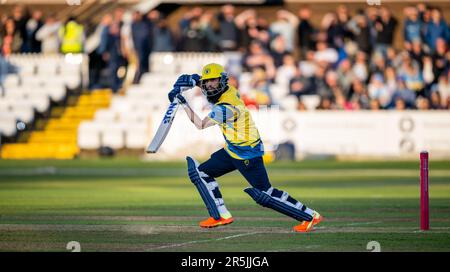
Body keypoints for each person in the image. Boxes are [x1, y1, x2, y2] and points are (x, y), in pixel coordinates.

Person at [167, 63, 322, 232]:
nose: (210, 86)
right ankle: (220, 215)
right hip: (233, 149)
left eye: (214, 81)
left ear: (222, 81)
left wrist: (183, 103)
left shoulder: (225, 107)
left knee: (265, 194)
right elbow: (209, 88)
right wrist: (194, 80)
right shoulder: (228, 89)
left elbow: (200, 124)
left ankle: (310, 216)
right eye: (207, 82)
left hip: (247, 154)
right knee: (200, 172)